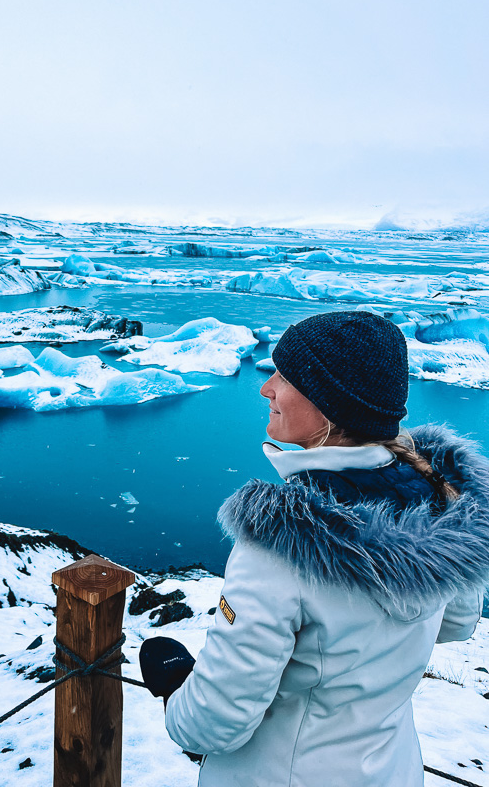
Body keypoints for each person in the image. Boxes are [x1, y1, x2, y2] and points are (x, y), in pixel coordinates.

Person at [144, 310, 489, 787]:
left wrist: (175, 686)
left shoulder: (282, 543)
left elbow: (214, 722)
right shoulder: (442, 502)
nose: (266, 388)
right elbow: (455, 624)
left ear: (329, 405)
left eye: (285, 377)